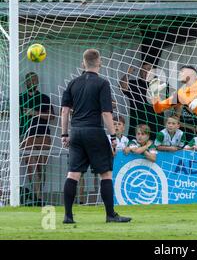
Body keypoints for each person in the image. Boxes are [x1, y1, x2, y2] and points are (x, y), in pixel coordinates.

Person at [61, 48, 131, 223]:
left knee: (73, 174)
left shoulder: (72, 83)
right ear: (99, 63)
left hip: (76, 132)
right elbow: (107, 113)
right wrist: (113, 137)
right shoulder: (102, 83)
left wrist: (64, 134)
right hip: (94, 131)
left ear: (83, 63)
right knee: (105, 174)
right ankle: (110, 215)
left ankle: (68, 216)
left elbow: (64, 111)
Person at [19, 72, 55, 206]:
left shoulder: (44, 98)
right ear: (26, 82)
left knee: (41, 167)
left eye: (36, 80)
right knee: (31, 166)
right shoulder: (20, 98)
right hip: (27, 136)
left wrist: (35, 113)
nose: (33, 82)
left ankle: (39, 196)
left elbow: (52, 116)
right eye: (31, 80)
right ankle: (37, 196)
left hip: (43, 135)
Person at [119, 62, 163, 140]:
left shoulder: (161, 85)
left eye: (149, 69)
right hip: (137, 128)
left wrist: (176, 116)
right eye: (143, 70)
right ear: (139, 72)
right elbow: (122, 87)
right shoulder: (134, 84)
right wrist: (128, 73)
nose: (146, 72)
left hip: (156, 127)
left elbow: (176, 100)